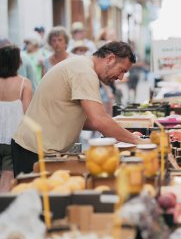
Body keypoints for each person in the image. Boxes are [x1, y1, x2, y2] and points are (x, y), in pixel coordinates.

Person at [11, 41, 144, 176]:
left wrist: (122, 132)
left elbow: (88, 121)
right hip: (33, 151)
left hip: (36, 149)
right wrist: (138, 141)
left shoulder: (83, 66)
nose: (121, 77)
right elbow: (99, 120)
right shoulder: (84, 72)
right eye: (122, 70)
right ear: (110, 59)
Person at [0, 45, 32, 190]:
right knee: (7, 179)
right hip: (12, 139)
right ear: (17, 62)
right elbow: (28, 114)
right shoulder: (24, 83)